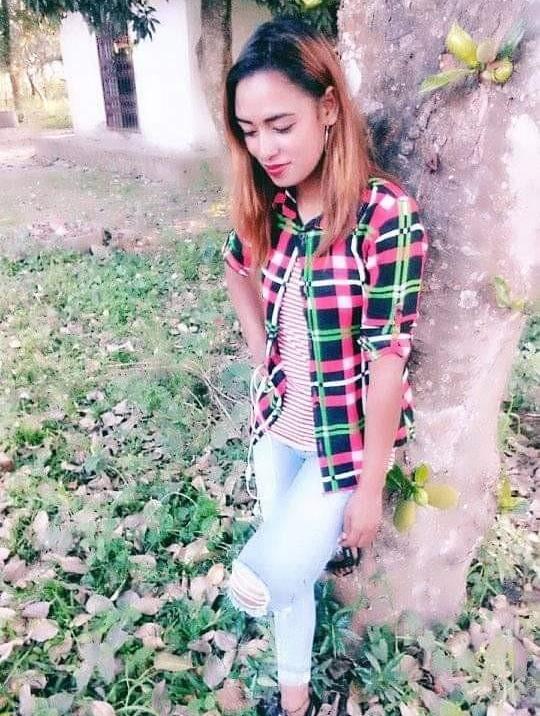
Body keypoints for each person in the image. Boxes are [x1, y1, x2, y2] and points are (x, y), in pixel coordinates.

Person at [220, 16, 428, 716]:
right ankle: (296, 702)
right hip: (280, 423)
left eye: (281, 125)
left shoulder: (384, 215)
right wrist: (261, 350)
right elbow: (234, 268)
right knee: (289, 583)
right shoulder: (271, 207)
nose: (265, 149)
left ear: (329, 107)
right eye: (250, 131)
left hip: (342, 447)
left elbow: (389, 358)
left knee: (260, 581)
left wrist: (370, 488)